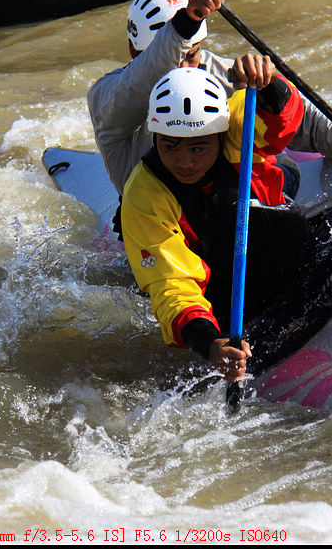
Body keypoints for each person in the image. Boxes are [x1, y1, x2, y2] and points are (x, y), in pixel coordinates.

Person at [87, 0, 332, 205]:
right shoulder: (107, 98)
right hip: (157, 220)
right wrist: (186, 22)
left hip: (221, 208)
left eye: (193, 55)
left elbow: (306, 122)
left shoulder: (218, 70)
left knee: (284, 167)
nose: (186, 71)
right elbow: (138, 83)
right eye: (175, 60)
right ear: (135, 54)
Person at [121, 65, 310, 383]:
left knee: (267, 216)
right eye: (170, 146)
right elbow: (172, 286)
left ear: (220, 135)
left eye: (197, 147)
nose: (184, 162)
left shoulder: (238, 123)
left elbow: (283, 120)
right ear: (155, 138)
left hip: (271, 236)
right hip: (218, 284)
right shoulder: (143, 194)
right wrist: (209, 343)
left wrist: (267, 83)